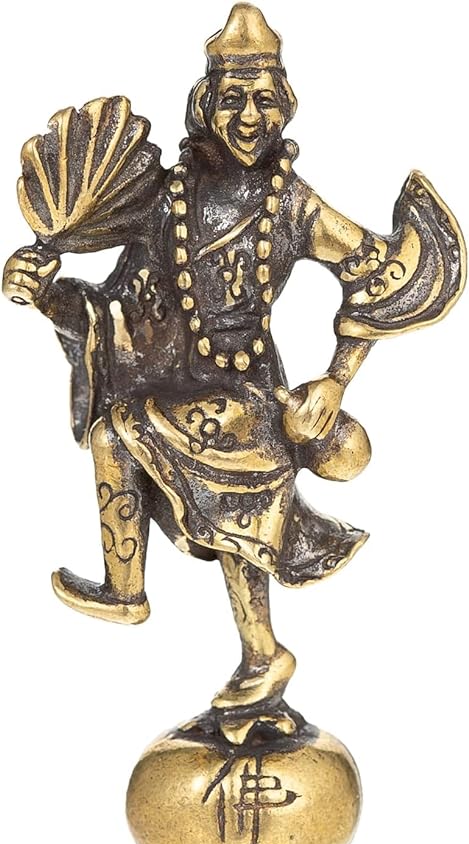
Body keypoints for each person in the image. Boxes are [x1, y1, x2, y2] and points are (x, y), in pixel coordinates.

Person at [2, 4, 465, 709]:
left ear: (285, 106)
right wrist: (44, 294)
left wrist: (335, 381)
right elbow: (118, 311)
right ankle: (150, 599)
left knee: (195, 486)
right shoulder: (167, 202)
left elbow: (378, 275)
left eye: (264, 100)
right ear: (204, 104)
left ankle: (244, 645)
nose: (249, 116)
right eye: (233, 99)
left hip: (252, 394)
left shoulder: (293, 205)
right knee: (144, 457)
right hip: (187, 385)